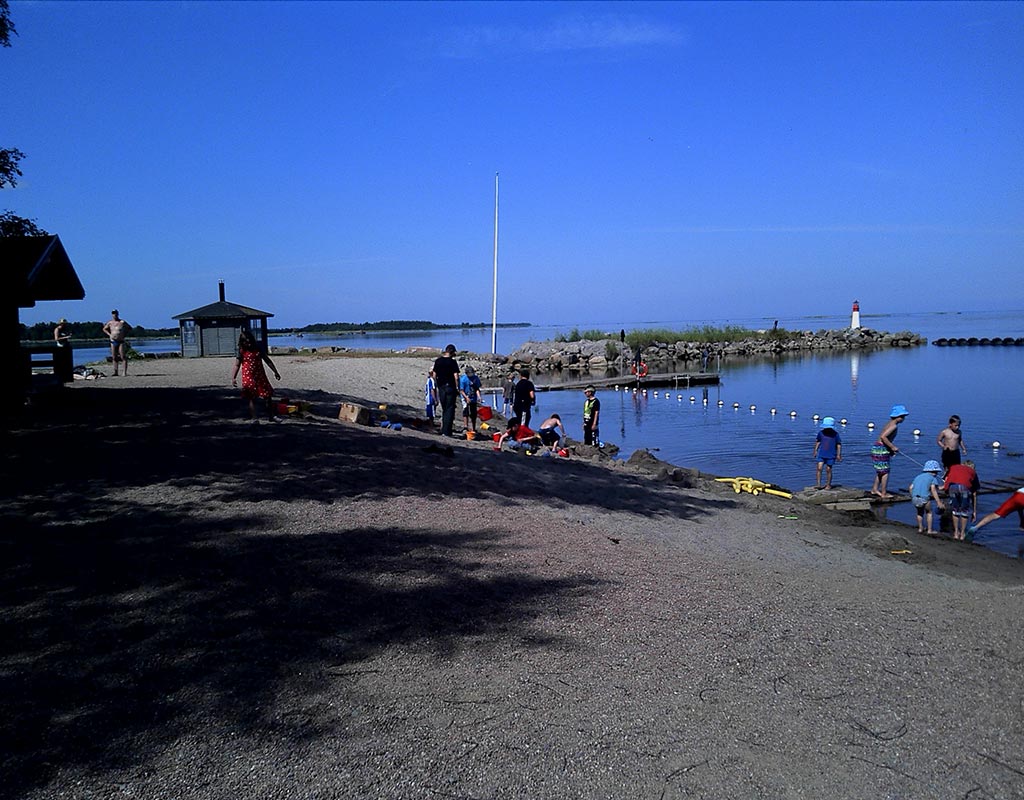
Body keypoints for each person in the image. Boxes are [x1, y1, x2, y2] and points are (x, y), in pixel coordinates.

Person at [231, 329, 281, 423]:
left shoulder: (258, 348)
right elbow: (237, 365)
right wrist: (233, 377)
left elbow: (267, 360)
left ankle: (271, 416)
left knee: (267, 395)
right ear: (242, 343)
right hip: (248, 376)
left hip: (260, 375)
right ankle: (254, 418)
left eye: (250, 343)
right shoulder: (242, 351)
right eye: (246, 343)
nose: (249, 345)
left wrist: (275, 371)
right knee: (251, 397)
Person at [870, 404, 908, 499]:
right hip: (881, 448)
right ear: (897, 416)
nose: (903, 419)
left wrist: (890, 450)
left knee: (881, 470)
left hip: (879, 447)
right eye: (902, 417)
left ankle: (874, 489)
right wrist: (893, 447)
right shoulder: (893, 426)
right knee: (885, 472)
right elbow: (883, 437)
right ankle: (883, 493)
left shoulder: (889, 423)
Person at [943, 459, 979, 541]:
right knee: (964, 511)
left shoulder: (954, 467)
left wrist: (945, 489)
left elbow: (947, 479)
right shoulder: (972, 472)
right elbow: (974, 493)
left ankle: (956, 532)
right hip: (964, 487)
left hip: (953, 487)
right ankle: (962, 533)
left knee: (955, 510)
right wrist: (974, 511)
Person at [909, 460, 945, 535]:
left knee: (919, 513)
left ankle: (920, 528)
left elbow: (910, 487)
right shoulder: (933, 478)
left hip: (915, 498)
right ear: (934, 472)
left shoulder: (918, 477)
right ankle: (929, 530)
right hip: (924, 498)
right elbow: (934, 490)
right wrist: (938, 502)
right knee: (929, 512)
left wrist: (913, 496)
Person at [432, 344, 460, 437]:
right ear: (451, 352)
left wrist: (436, 385)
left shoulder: (438, 361)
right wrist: (457, 387)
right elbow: (456, 377)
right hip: (450, 387)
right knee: (450, 409)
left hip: (441, 387)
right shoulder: (452, 362)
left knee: (444, 408)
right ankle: (447, 431)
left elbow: (434, 375)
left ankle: (443, 429)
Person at [813, 416, 842, 489]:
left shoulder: (835, 434)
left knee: (828, 469)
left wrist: (838, 454)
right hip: (822, 453)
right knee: (819, 468)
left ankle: (828, 484)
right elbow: (818, 441)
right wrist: (815, 451)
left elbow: (838, 444)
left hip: (831, 454)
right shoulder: (821, 433)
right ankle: (818, 484)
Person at [102, 309, 132, 376]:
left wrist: (124, 334)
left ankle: (124, 372)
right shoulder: (110, 322)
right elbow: (104, 329)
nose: (114, 315)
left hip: (121, 341)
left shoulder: (122, 322)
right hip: (113, 341)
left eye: (115, 313)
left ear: (117, 314)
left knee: (122, 356)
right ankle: (115, 372)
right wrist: (109, 335)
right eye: (113, 313)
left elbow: (129, 328)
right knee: (114, 357)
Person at [459, 365, 483, 434]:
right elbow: (461, 390)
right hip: (465, 397)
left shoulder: (476, 378)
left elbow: (477, 389)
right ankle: (465, 427)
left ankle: (473, 428)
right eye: (470, 373)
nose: (471, 374)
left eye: (472, 373)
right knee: (465, 411)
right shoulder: (463, 379)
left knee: (473, 413)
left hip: (473, 397)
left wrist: (479, 397)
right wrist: (466, 398)